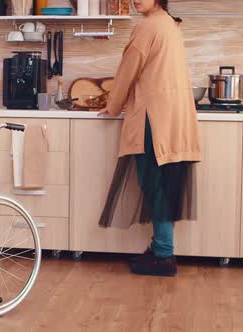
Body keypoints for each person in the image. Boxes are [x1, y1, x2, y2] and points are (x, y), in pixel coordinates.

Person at [97, 0, 201, 276]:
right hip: (170, 117)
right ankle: (158, 249)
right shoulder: (168, 24)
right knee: (164, 184)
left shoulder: (148, 27)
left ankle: (164, 255)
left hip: (153, 118)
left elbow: (127, 71)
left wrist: (113, 104)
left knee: (155, 185)